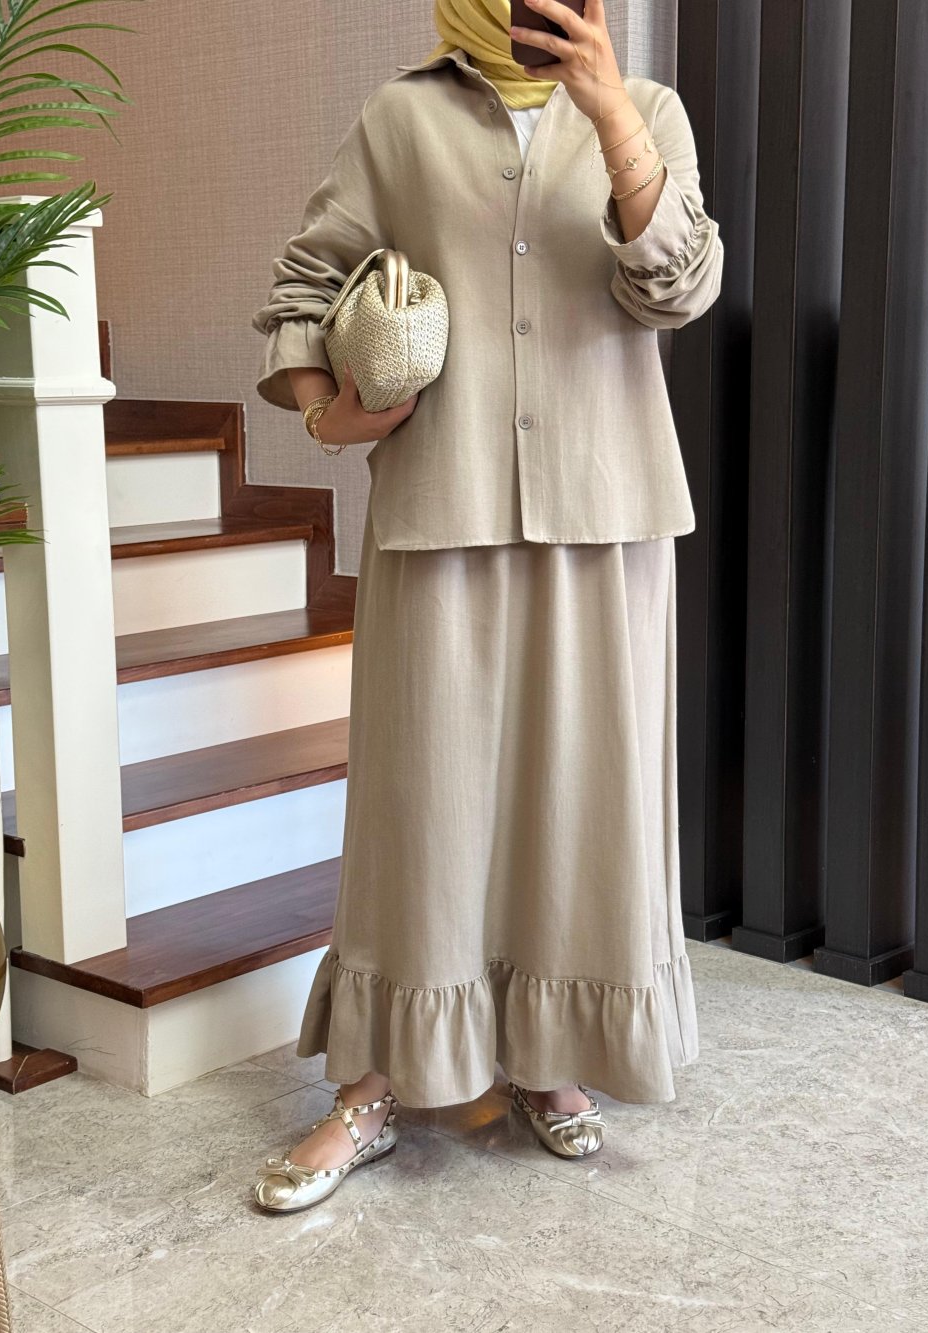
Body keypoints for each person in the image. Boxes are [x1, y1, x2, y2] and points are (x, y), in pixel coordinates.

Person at [250, 0, 723, 1213]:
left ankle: (549, 1051)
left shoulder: (647, 110)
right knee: (418, 805)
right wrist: (327, 412)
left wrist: (607, 110)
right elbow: (305, 278)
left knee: (584, 801)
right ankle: (372, 1084)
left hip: (606, 510)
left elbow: (677, 289)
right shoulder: (399, 118)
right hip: (439, 503)